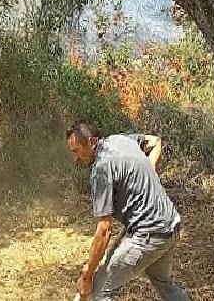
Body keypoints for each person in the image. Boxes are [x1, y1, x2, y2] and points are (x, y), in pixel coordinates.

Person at [66, 121, 190, 301]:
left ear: (92, 142)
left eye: (76, 151)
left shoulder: (101, 168)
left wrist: (87, 274)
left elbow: (104, 230)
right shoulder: (119, 140)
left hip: (149, 235)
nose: (75, 158)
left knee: (99, 291)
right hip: (171, 225)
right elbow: (155, 142)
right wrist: (150, 169)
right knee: (164, 285)